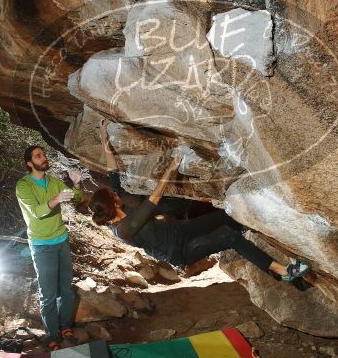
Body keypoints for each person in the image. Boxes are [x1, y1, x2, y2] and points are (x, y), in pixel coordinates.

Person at [89, 120, 310, 281]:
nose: (117, 193)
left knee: (229, 217)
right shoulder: (124, 229)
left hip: (180, 230)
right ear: (114, 204)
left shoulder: (118, 208)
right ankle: (285, 272)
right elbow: (153, 200)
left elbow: (113, 174)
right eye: (114, 195)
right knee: (228, 236)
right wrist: (172, 168)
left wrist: (104, 141)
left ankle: (276, 250)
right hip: (180, 251)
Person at [15, 145, 84, 350]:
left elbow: (77, 199)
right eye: (38, 156)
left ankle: (65, 327)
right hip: (42, 245)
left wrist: (77, 184)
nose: (43, 158)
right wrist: (56, 199)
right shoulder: (24, 185)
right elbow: (37, 212)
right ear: (30, 163)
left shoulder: (53, 182)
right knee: (48, 294)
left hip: (61, 241)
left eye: (43, 155)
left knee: (67, 290)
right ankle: (52, 335)